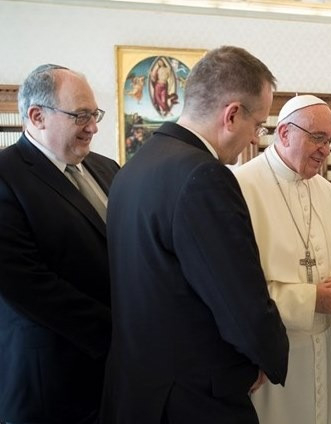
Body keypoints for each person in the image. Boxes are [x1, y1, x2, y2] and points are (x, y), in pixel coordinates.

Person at [100, 46, 289, 423]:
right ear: (232, 115)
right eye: (258, 125)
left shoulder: (132, 167)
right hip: (193, 396)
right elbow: (238, 298)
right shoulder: (204, 176)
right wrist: (266, 355)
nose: (255, 138)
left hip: (137, 387)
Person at [0, 64, 119, 423]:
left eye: (95, 114)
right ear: (37, 116)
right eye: (81, 115)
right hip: (50, 383)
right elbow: (28, 284)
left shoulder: (108, 168)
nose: (93, 127)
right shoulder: (6, 175)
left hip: (115, 377)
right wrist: (120, 331)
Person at [234, 95, 331, 424]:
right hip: (275, 351)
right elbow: (235, 288)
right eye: (317, 138)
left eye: (330, 141)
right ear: (284, 133)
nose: (326, 150)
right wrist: (310, 299)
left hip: (325, 343)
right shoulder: (240, 188)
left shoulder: (328, 192)